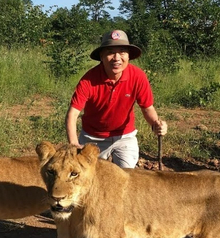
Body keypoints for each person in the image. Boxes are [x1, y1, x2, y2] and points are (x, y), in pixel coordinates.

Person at [66, 29, 167, 169]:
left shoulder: (138, 76)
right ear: (101, 56)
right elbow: (73, 114)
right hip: (93, 137)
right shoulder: (89, 79)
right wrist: (74, 144)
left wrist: (156, 124)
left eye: (122, 52)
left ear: (129, 56)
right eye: (110, 52)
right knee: (91, 178)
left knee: (126, 176)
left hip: (124, 137)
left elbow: (147, 108)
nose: (117, 58)